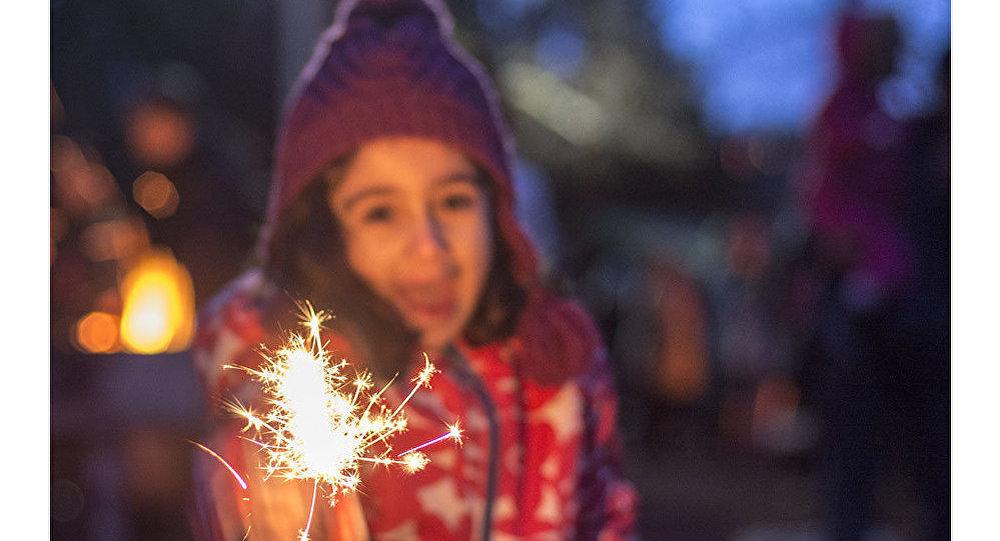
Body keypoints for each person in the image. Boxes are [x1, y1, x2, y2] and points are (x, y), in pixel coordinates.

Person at [190, 0, 637, 539]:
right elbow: (253, 375)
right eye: (381, 213)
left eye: (453, 202)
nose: (429, 247)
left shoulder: (560, 366)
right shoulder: (297, 388)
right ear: (325, 234)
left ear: (496, 211)